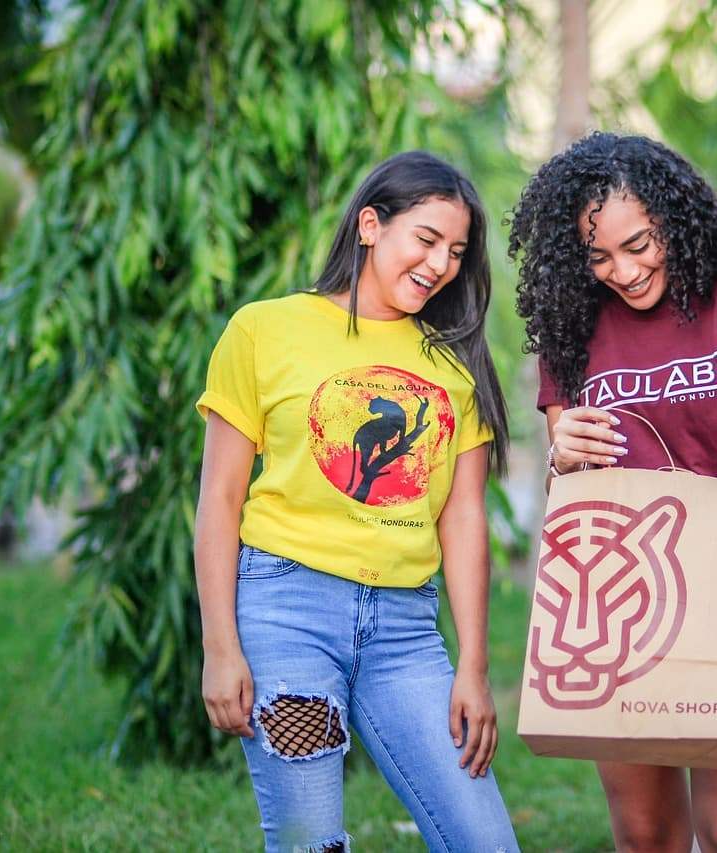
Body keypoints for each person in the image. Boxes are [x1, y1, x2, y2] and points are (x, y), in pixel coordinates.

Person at [193, 151, 519, 853]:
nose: (441, 264)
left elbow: (463, 518)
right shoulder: (264, 329)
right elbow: (218, 498)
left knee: (486, 842)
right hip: (287, 615)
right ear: (371, 225)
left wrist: (473, 665)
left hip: (406, 632)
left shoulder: (454, 364)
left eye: (456, 251)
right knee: (313, 844)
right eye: (426, 239)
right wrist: (220, 645)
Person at [508, 131, 717, 853]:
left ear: (673, 218)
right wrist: (561, 453)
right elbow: (569, 484)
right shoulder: (572, 325)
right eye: (598, 256)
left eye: (639, 244)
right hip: (614, 593)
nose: (624, 271)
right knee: (646, 834)